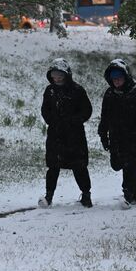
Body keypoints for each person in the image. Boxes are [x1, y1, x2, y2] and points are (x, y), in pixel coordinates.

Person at [97, 58, 136, 208]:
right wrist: (103, 135)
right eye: (113, 79)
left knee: (129, 165)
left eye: (119, 78)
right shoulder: (110, 94)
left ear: (126, 76)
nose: (116, 81)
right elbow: (105, 116)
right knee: (124, 166)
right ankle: (133, 195)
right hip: (117, 137)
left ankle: (130, 196)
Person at [39, 58, 93, 208]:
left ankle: (86, 194)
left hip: (74, 136)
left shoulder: (77, 90)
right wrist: (52, 120)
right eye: (54, 74)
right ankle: (49, 196)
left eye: (60, 74)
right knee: (53, 167)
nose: (57, 78)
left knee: (79, 166)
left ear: (66, 74)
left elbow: (86, 110)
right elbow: (45, 110)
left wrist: (73, 121)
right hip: (55, 135)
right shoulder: (49, 91)